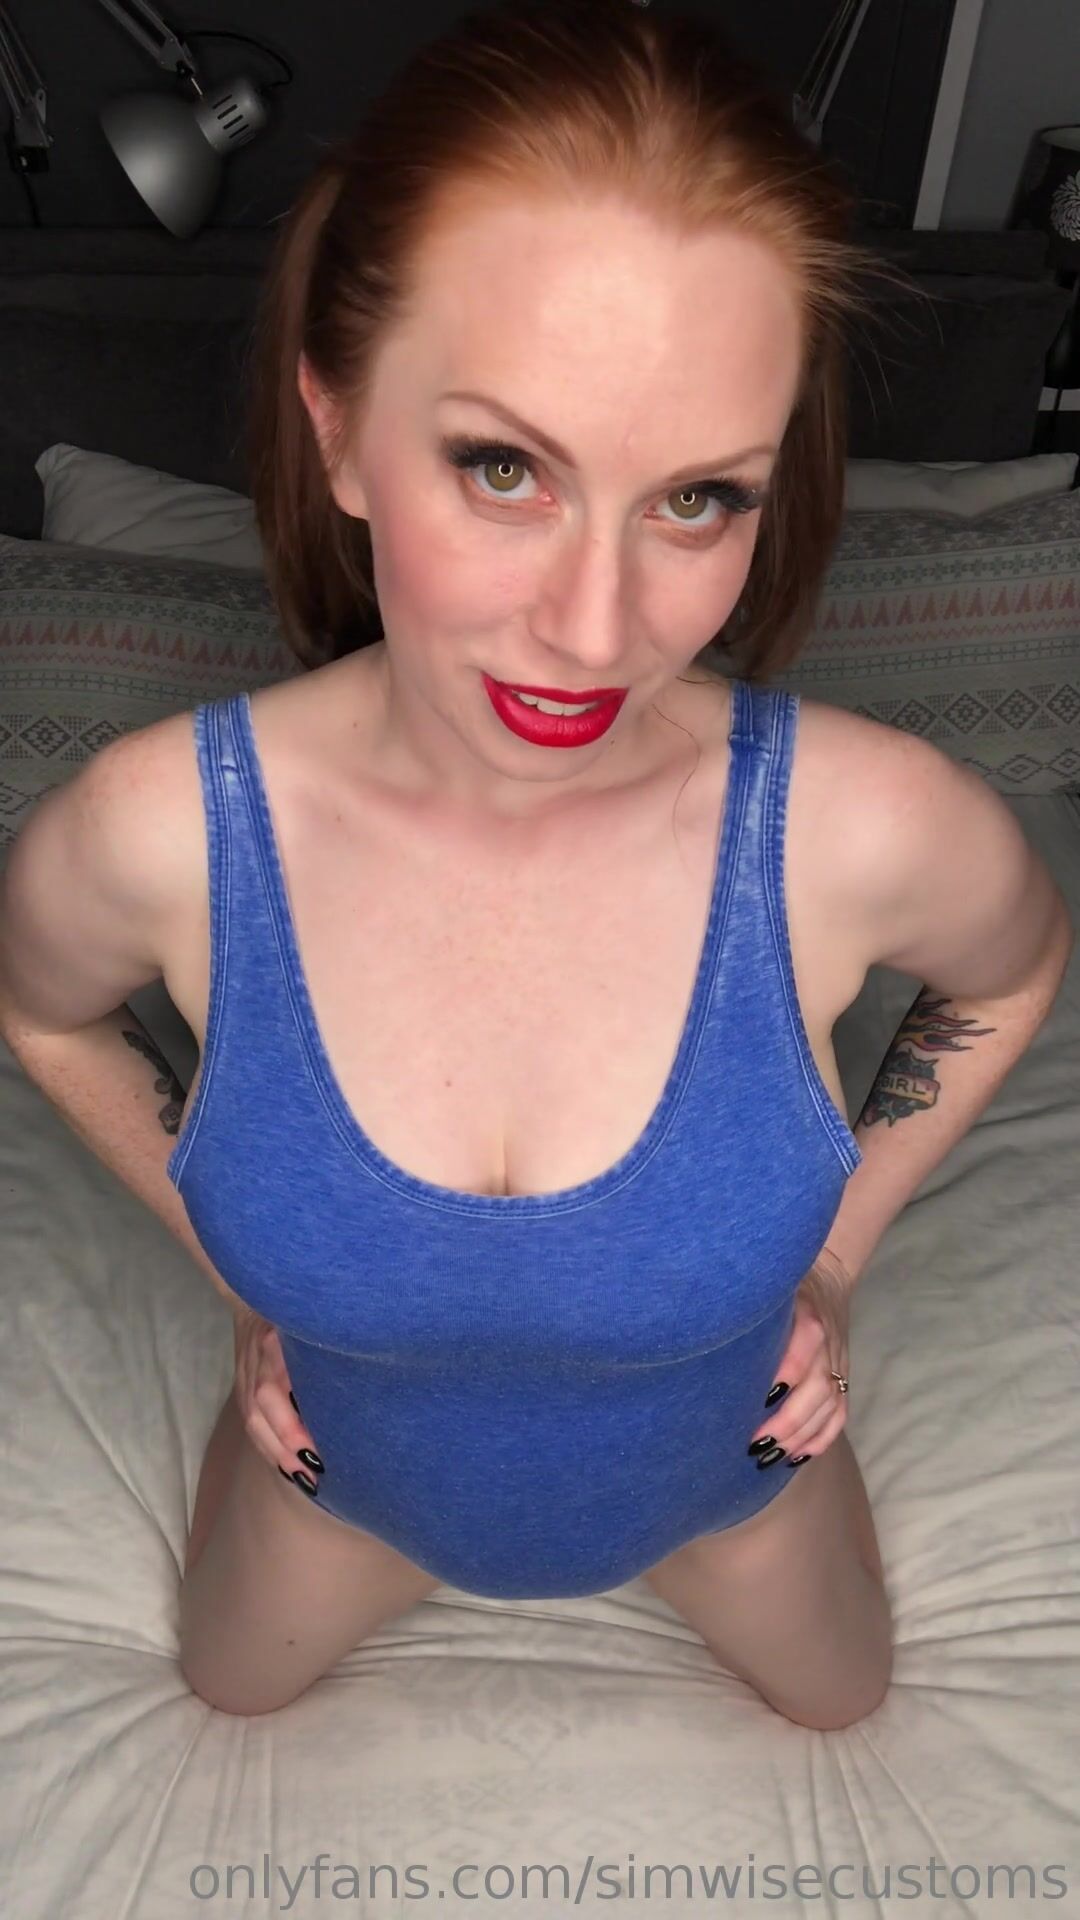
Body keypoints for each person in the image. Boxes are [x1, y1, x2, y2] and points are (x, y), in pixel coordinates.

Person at [174, 0, 921, 1722]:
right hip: (342, 1491)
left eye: (698, 499)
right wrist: (246, 1279)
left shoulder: (878, 822)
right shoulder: (151, 834)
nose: (596, 632)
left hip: (726, 1491)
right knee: (230, 1691)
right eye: (504, 467)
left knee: (844, 1704)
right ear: (338, 429)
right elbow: (44, 1008)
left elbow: (1018, 967)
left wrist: (832, 1260)